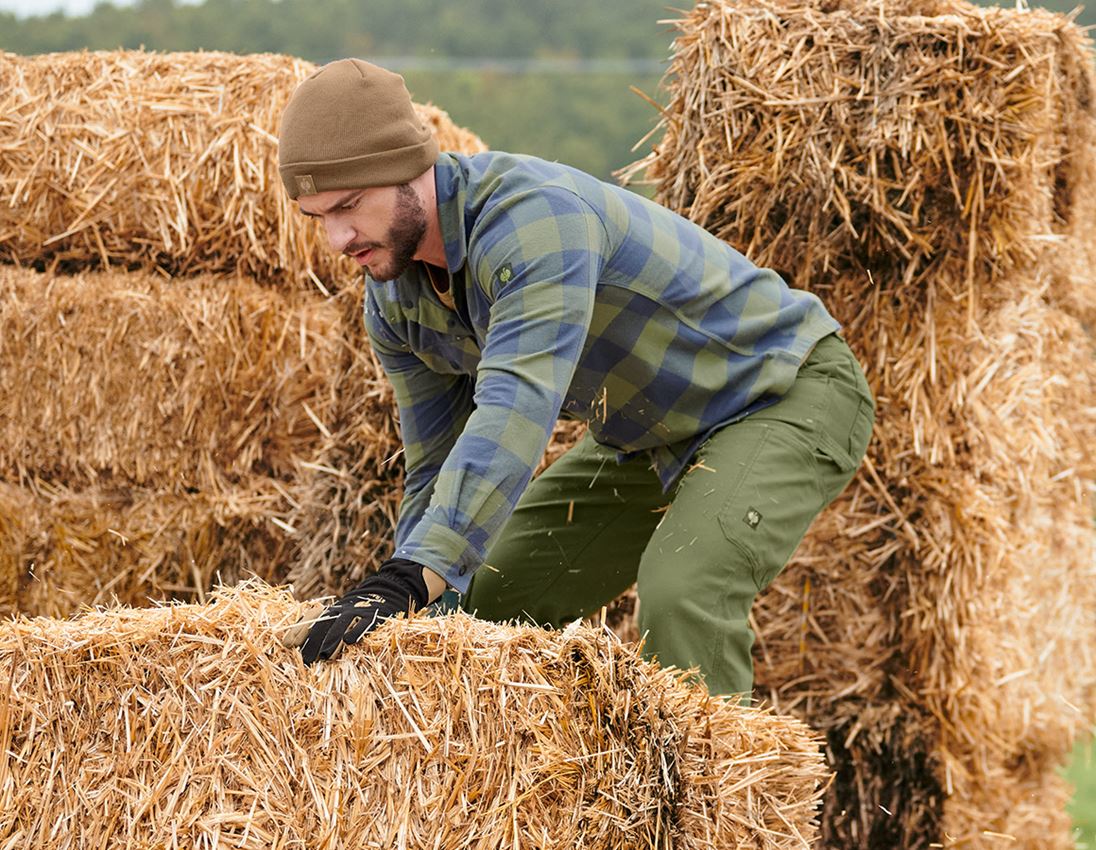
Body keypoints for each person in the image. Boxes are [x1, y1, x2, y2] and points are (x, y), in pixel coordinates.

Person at [277, 58, 874, 700]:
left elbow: (516, 410)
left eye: (348, 207)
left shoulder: (534, 222)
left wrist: (411, 575)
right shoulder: (394, 301)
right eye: (318, 218)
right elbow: (435, 464)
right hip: (645, 429)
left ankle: (718, 801)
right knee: (488, 594)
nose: (337, 238)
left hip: (777, 392)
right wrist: (407, 606)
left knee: (683, 591)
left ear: (405, 166)